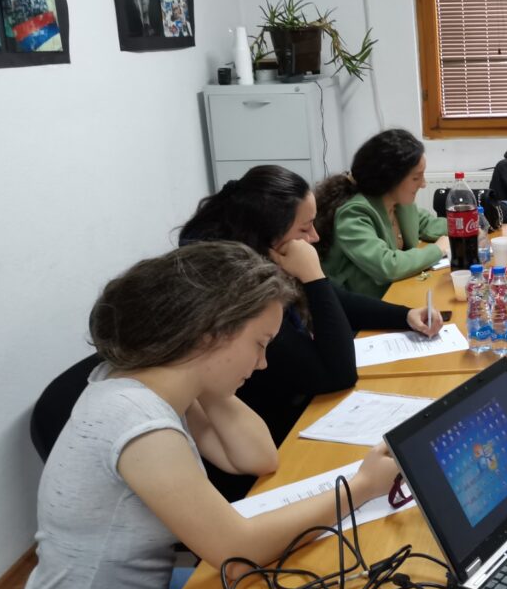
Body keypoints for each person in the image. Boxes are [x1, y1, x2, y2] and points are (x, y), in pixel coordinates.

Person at [1, 242, 399, 589]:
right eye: (259, 343)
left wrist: (207, 376)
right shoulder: (138, 421)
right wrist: (362, 487)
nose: (263, 363)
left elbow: (258, 458)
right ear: (210, 334)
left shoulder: (152, 381)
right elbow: (237, 555)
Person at [179, 165, 441, 499]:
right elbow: (336, 374)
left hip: (283, 423)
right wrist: (313, 277)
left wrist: (404, 315)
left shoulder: (257, 253)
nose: (315, 237)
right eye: (304, 229)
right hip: (267, 448)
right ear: (269, 235)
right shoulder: (238, 294)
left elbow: (335, 300)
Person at [316, 129, 447, 299]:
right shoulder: (354, 214)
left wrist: (470, 226)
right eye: (416, 178)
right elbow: (387, 266)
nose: (423, 184)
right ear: (390, 178)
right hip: (362, 307)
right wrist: (438, 249)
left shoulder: (398, 203)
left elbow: (428, 224)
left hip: (395, 292)